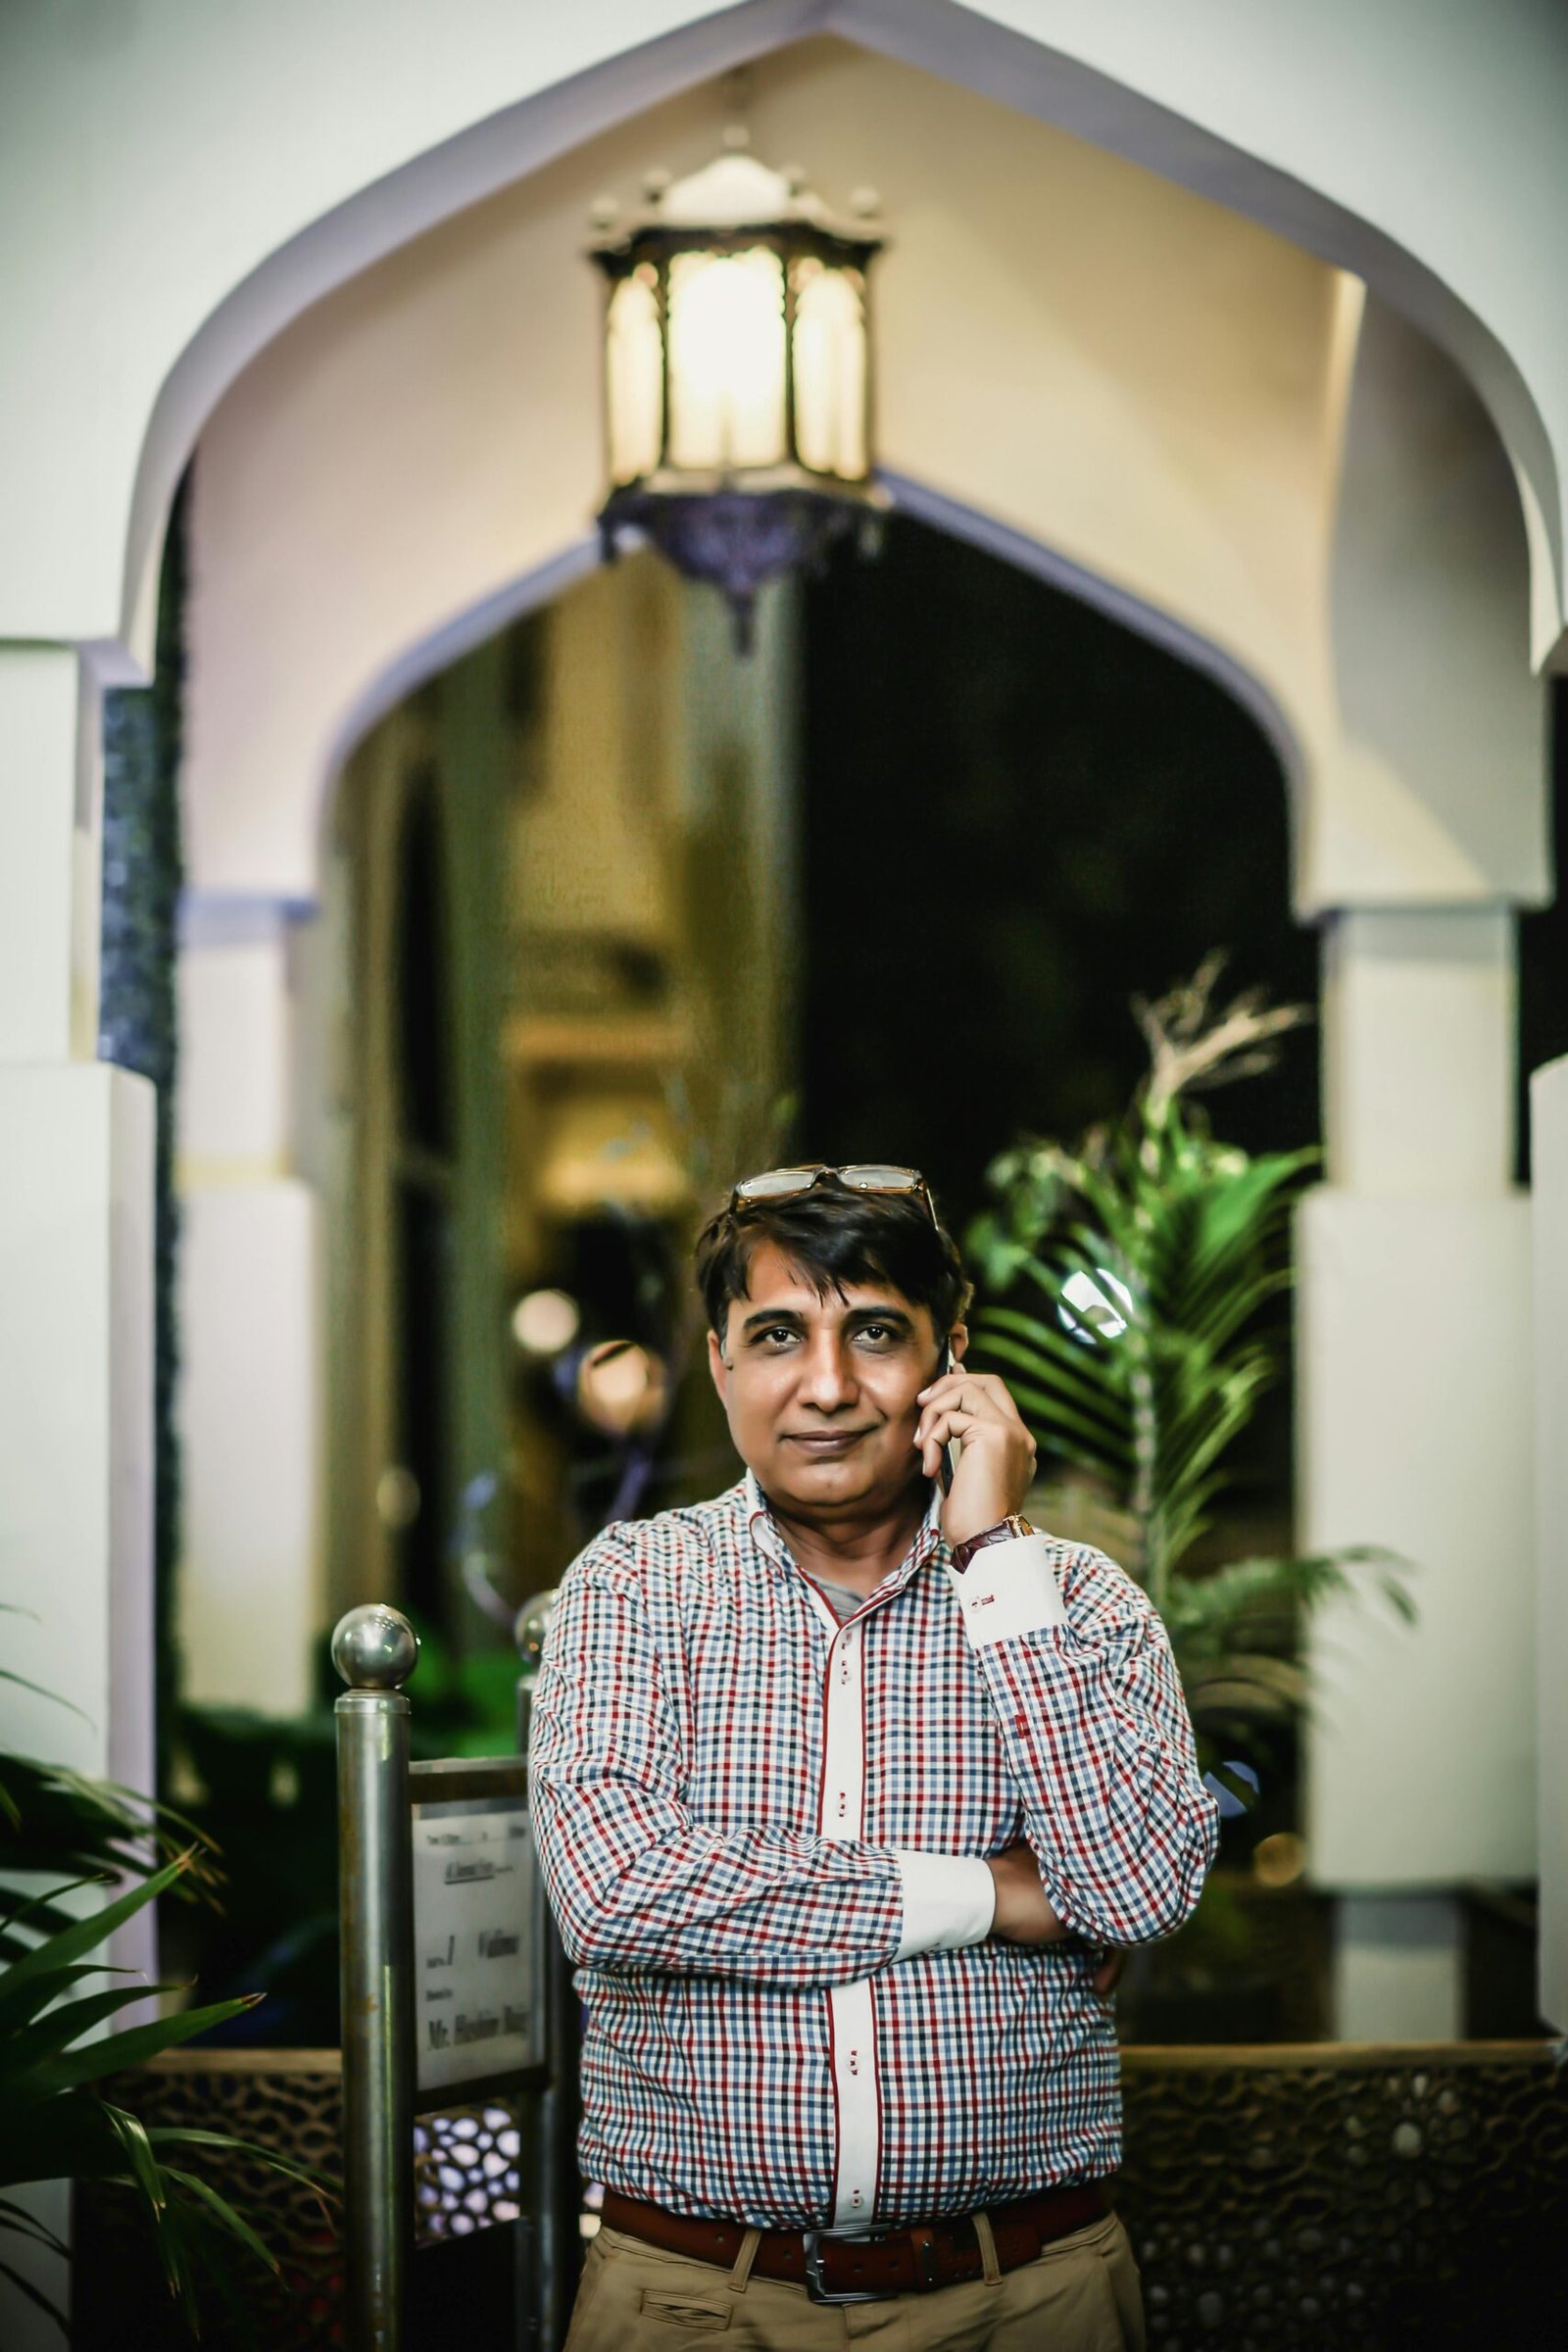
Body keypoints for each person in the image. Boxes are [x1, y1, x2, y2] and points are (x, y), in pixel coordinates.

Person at [530, 1164, 1217, 2350]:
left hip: (1028, 2295)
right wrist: (991, 1894)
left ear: (952, 1360)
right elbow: (617, 1891)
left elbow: (1135, 1892)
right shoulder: (633, 1586)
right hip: (694, 2301)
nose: (828, 1387)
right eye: (778, 1336)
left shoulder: (1080, 1602)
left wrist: (996, 1559)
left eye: (877, 1334)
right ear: (719, 1364)